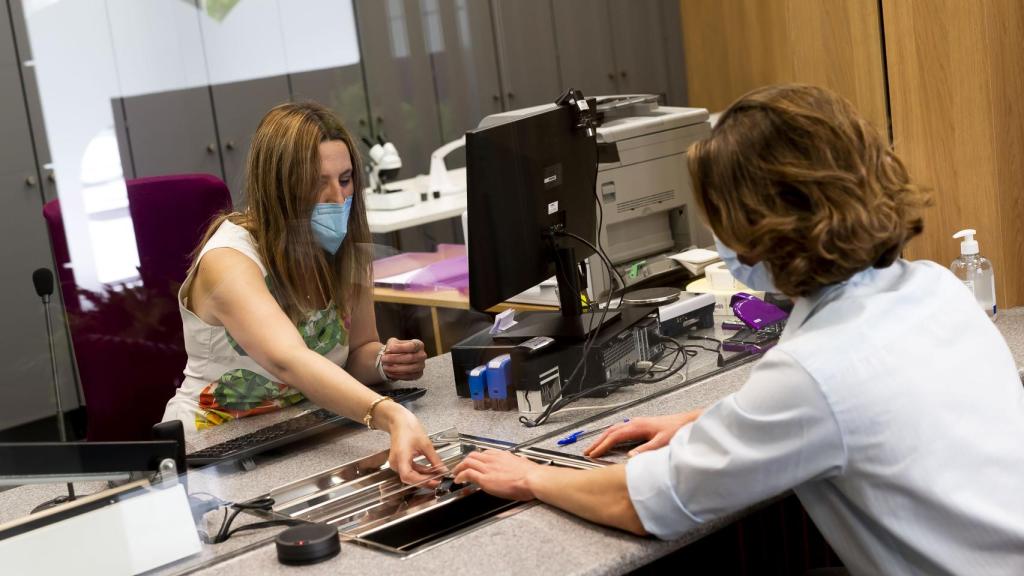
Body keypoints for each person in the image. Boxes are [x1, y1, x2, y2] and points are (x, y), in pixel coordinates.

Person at [453, 85, 1024, 574]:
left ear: (764, 223)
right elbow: (866, 406)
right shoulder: (931, 287)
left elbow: (648, 500)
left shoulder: (815, 375)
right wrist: (708, 421)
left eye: (720, 218)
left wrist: (533, 476)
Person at [163, 102, 444, 484]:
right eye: (317, 182)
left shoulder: (344, 249)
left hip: (304, 433)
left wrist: (382, 361)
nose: (336, 198)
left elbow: (359, 349)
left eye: (345, 180)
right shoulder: (228, 261)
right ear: (277, 185)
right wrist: (390, 414)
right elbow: (289, 360)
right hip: (213, 452)